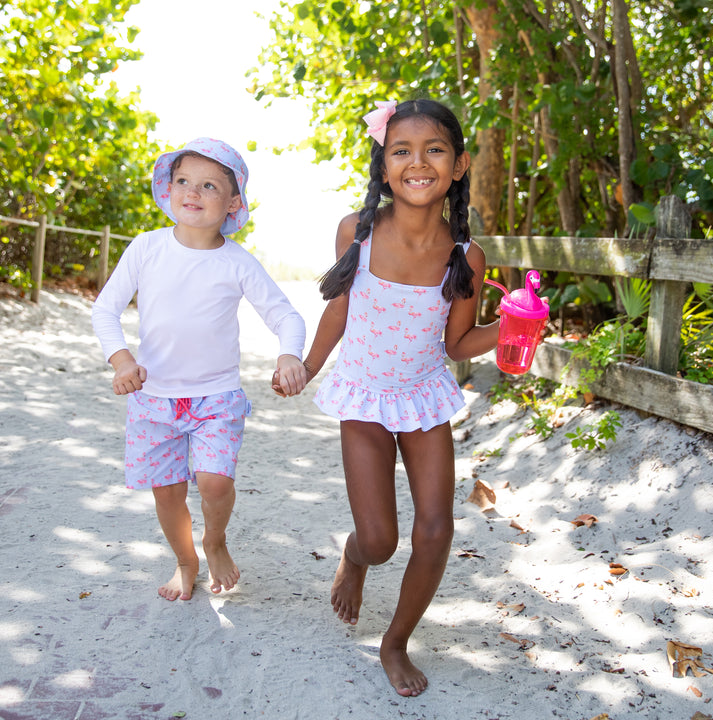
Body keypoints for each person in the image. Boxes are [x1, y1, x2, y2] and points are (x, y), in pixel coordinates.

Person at [299, 99, 500, 697]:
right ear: (383, 165)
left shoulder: (467, 257)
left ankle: (394, 642)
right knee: (381, 540)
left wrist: (515, 329)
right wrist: (307, 368)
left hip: (422, 399)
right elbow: (339, 308)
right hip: (362, 397)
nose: (418, 162)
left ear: (459, 165)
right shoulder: (356, 233)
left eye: (434, 149)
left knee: (436, 529)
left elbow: (459, 343)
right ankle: (355, 557)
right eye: (401, 151)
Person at [92, 137, 306, 602]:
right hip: (153, 398)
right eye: (184, 181)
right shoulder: (146, 248)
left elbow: (286, 315)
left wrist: (290, 354)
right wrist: (122, 358)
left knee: (213, 480)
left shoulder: (237, 262)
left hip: (216, 396)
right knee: (167, 493)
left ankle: (215, 540)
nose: (193, 191)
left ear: (232, 203)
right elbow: (105, 310)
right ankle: (186, 560)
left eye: (209, 185)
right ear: (168, 189)